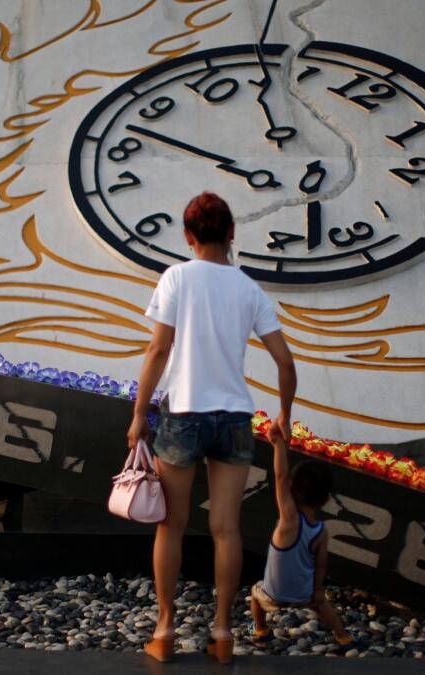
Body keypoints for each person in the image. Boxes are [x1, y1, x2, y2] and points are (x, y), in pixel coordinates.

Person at [127, 192, 297, 664]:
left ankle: (164, 631)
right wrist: (283, 414)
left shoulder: (176, 277)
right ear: (232, 234)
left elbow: (158, 352)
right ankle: (223, 632)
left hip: (183, 415)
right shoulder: (248, 289)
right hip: (234, 419)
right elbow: (285, 360)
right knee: (226, 530)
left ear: (187, 237)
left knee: (171, 526)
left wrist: (140, 413)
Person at [249, 430, 354, 647]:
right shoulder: (321, 531)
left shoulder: (289, 521)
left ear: (291, 490)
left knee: (255, 594)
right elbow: (321, 564)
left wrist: (278, 445)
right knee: (323, 605)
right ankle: (343, 637)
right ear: (325, 500)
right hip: (305, 594)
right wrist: (317, 590)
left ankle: (261, 630)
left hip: (273, 593)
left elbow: (279, 477)